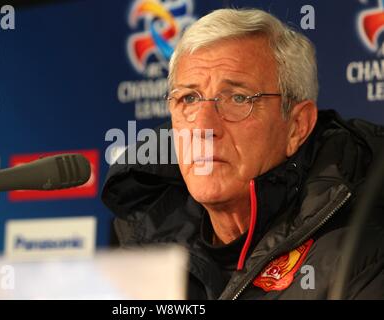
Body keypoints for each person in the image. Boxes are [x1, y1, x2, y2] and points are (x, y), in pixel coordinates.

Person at [102, 8, 384, 299]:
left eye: (238, 98)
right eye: (188, 98)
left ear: (296, 127)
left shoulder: (362, 251)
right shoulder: (144, 244)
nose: (203, 127)